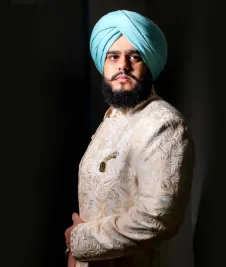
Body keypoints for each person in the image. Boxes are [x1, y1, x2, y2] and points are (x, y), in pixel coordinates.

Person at [64, 10, 195, 267]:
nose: (122, 65)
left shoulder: (163, 123)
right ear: (103, 64)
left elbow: (157, 218)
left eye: (134, 56)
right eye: (113, 57)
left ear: (148, 63)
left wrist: (78, 241)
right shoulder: (111, 119)